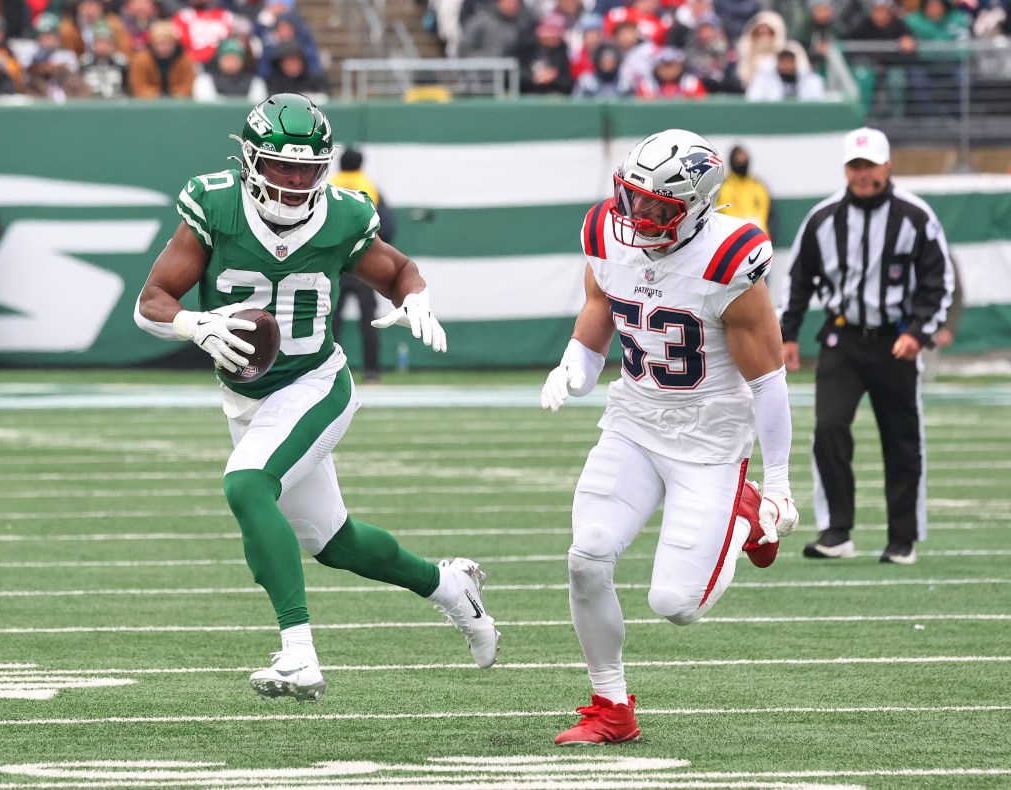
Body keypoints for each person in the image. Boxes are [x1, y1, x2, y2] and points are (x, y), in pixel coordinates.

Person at [134, 93, 500, 702]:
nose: (296, 180)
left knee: (247, 486)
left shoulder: (343, 215)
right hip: (248, 394)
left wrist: (414, 297)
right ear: (251, 161)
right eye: (283, 166)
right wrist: (196, 324)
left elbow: (398, 269)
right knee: (332, 541)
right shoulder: (216, 204)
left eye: (308, 168)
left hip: (315, 382)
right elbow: (152, 301)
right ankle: (446, 585)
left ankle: (298, 654)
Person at [539, 129, 799, 745]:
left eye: (657, 208)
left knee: (676, 604)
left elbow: (768, 382)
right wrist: (572, 365)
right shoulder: (607, 231)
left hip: (709, 440)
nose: (635, 217)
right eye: (630, 198)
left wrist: (782, 484)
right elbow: (601, 311)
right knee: (587, 558)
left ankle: (748, 513)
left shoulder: (727, 259)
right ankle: (610, 706)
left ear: (699, 208)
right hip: (634, 420)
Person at [780, 127, 955, 565]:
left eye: (870, 166)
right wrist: (788, 334)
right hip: (842, 339)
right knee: (829, 427)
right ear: (846, 169)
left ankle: (903, 538)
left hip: (896, 342)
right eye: (856, 166)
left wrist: (917, 332)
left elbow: (939, 281)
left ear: (887, 166)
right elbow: (797, 279)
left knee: (901, 439)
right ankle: (836, 531)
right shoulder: (823, 218)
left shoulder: (915, 216)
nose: (863, 174)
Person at [329, 147, 397, 383]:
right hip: (362, 265)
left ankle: (326, 371)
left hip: (333, 264)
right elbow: (388, 227)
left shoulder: (329, 186)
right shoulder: (369, 187)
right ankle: (371, 372)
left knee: (329, 321)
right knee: (369, 321)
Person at [716, 144, 774, 238]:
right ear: (732, 161)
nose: (742, 161)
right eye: (738, 158)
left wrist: (769, 233)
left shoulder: (759, 186)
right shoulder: (723, 187)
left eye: (744, 158)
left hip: (761, 240)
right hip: (734, 241)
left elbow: (770, 214)